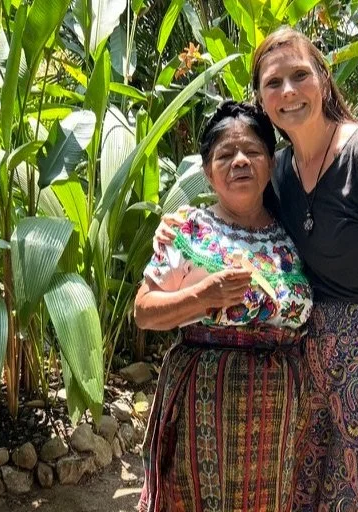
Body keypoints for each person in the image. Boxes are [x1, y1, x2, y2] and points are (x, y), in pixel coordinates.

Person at [155, 27, 358, 511]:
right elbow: (240, 216)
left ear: (322, 79)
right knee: (306, 487)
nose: (288, 91)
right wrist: (178, 226)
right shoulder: (278, 170)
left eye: (300, 75)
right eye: (273, 82)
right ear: (261, 99)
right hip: (305, 355)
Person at [134, 100, 314, 512]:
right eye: (225, 154)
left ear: (271, 162)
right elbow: (144, 311)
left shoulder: (295, 231)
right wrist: (203, 297)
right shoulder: (188, 230)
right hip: (205, 405)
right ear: (207, 171)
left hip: (280, 410)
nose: (240, 162)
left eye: (252, 151)